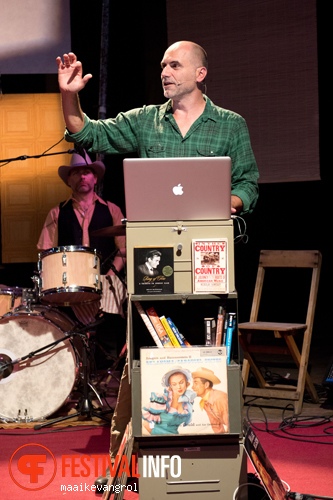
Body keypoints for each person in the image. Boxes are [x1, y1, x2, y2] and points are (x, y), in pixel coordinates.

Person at [55, 39, 259, 486]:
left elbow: (249, 180)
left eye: (175, 64)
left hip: (208, 252)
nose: (164, 71)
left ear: (200, 74)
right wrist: (69, 95)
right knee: (147, 342)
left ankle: (215, 455)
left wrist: (234, 198)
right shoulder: (146, 121)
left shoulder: (230, 125)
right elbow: (87, 132)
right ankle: (137, 464)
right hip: (153, 253)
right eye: (162, 64)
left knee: (211, 339)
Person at [37, 150, 127, 370]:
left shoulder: (112, 210)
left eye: (87, 172)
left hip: (105, 278)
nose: (82, 177)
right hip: (70, 284)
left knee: (113, 297)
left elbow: (123, 250)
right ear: (69, 180)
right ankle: (73, 371)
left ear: (95, 178)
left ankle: (109, 370)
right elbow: (45, 250)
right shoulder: (57, 212)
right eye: (76, 173)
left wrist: (110, 274)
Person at [142, 367, 196, 435]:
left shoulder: (187, 401)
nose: (179, 387)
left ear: (186, 383)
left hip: (176, 439)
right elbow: (145, 424)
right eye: (174, 384)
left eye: (181, 382)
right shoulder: (161, 400)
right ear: (170, 386)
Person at [191, 367, 229, 433]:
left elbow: (232, 424)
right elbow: (216, 425)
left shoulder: (219, 399)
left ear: (206, 385)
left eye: (196, 383)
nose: (192, 387)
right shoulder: (205, 401)